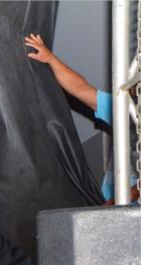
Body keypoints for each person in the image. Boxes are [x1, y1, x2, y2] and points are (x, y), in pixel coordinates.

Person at [25, 33, 140, 203]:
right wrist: (50, 59)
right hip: (110, 209)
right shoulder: (126, 111)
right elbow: (81, 89)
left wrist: (112, 207)